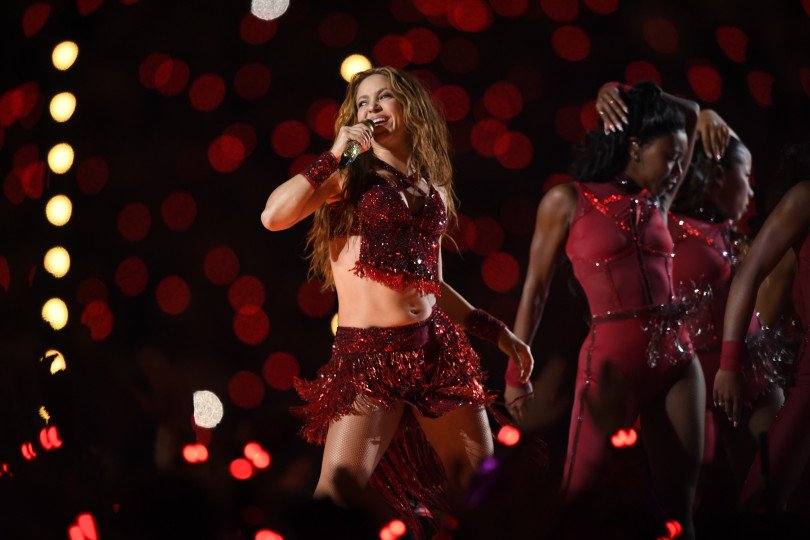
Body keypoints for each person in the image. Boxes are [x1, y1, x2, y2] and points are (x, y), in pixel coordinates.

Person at [260, 66, 533, 536]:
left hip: (436, 353)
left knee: (482, 494)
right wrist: (334, 154)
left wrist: (500, 334)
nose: (372, 109)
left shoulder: (432, 186)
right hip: (370, 359)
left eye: (384, 98)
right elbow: (273, 216)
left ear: (410, 107)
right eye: (362, 103)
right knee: (334, 501)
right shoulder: (347, 178)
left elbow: (433, 285)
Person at [509, 81, 704, 537]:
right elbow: (535, 289)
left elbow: (692, 111)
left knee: (681, 509)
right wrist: (517, 373)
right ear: (635, 147)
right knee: (578, 498)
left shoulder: (658, 199)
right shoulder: (567, 200)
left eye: (681, 158)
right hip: (610, 367)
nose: (678, 168)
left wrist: (629, 91)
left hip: (678, 362)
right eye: (669, 156)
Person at [666, 110, 784, 503]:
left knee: (769, 493)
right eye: (745, 177)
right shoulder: (663, 219)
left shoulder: (724, 229)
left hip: (748, 374)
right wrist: (703, 115)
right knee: (690, 505)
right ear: (717, 177)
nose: (752, 190)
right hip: (688, 386)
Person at [714, 141, 810, 511]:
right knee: (762, 500)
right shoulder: (804, 198)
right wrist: (730, 364)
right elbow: (750, 275)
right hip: (798, 374)